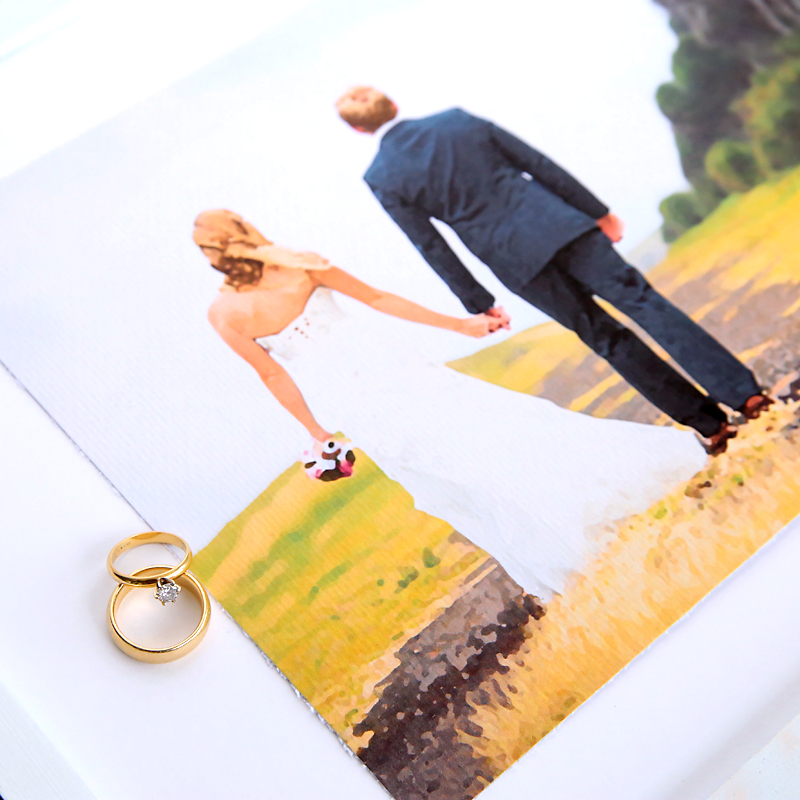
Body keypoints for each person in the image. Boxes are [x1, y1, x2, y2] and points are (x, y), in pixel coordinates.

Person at [193, 209, 708, 599]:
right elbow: (379, 299)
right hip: (390, 368)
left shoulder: (224, 315)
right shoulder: (303, 264)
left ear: (210, 254)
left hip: (354, 400)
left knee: (454, 473)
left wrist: (317, 433)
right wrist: (460, 325)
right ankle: (592, 499)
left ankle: (565, 545)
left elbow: (272, 372)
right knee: (491, 428)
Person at [335, 86, 774, 455]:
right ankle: (745, 393)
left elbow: (430, 244)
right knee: (644, 304)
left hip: (514, 261)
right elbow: (537, 164)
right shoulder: (456, 120)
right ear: (392, 104)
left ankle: (710, 427)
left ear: (357, 129)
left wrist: (479, 302)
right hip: (563, 226)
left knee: (604, 337)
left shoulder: (382, 176)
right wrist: (597, 211)